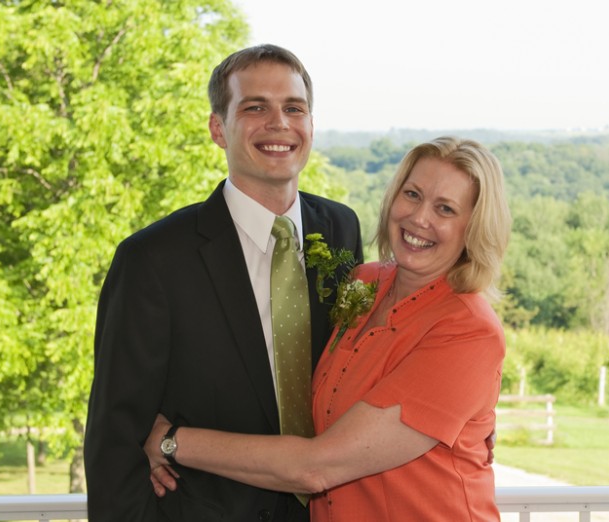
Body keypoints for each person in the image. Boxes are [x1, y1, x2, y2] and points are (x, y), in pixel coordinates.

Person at [144, 136, 512, 521]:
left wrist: (169, 442)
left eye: (445, 209)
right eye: (412, 194)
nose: (420, 218)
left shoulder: (468, 331)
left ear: (474, 228)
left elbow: (315, 468)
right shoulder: (363, 283)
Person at [84, 44, 363, 522]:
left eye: (294, 108)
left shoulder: (341, 228)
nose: (279, 124)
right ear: (219, 128)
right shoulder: (152, 259)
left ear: (311, 126)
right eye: (255, 107)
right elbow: (114, 440)